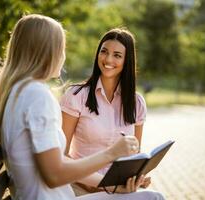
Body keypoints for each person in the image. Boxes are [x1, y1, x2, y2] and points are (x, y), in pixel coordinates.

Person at [0, 14, 164, 200]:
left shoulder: (19, 91)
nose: (63, 56)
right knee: (153, 198)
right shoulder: (37, 96)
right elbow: (55, 175)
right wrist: (111, 153)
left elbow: (57, 164)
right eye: (61, 48)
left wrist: (114, 186)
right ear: (46, 51)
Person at [60, 28, 161, 197]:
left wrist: (137, 178)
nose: (108, 59)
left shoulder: (137, 103)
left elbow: (134, 156)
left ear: (127, 61)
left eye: (117, 55)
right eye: (104, 52)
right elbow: (61, 156)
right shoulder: (76, 96)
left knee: (155, 197)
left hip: (118, 190)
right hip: (80, 188)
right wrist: (101, 185)